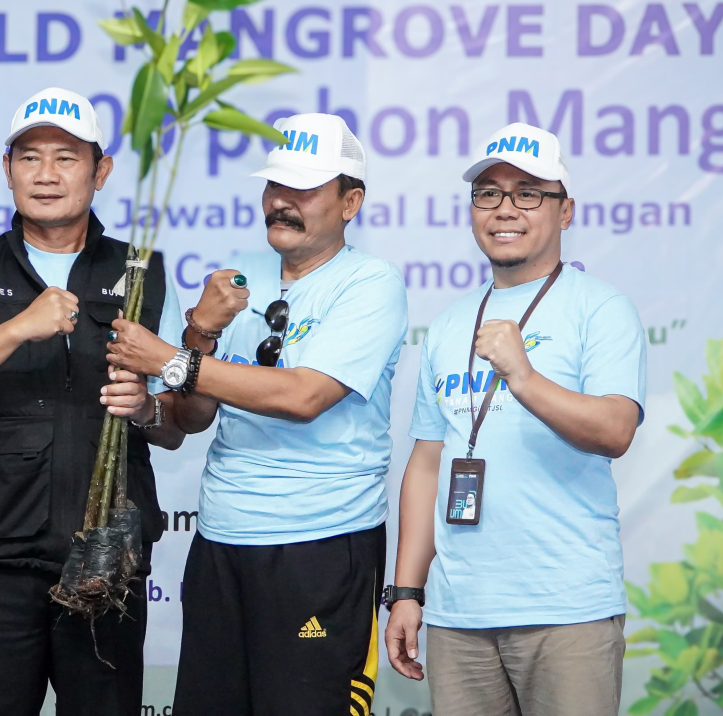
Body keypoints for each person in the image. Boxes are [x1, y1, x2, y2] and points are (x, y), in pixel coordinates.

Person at [105, 113, 408, 716]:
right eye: (275, 187)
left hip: (321, 545)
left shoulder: (371, 284)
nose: (282, 203)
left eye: (305, 190)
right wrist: (198, 331)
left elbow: (303, 397)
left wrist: (172, 357)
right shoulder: (237, 274)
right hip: (220, 542)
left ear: (351, 202)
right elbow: (191, 418)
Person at [0, 87, 185, 716]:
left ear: (100, 170)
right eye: (29, 158)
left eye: (66, 157)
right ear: (7, 170)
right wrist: (15, 327)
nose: (47, 175)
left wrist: (144, 407)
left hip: (106, 553)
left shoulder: (141, 271)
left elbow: (175, 427)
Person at [384, 122, 646, 716]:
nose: (506, 209)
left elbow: (615, 430)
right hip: (459, 616)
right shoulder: (451, 323)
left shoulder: (601, 309)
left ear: (566, 211)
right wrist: (406, 592)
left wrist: (523, 377)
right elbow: (427, 464)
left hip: (566, 611)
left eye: (529, 193)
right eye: (489, 193)